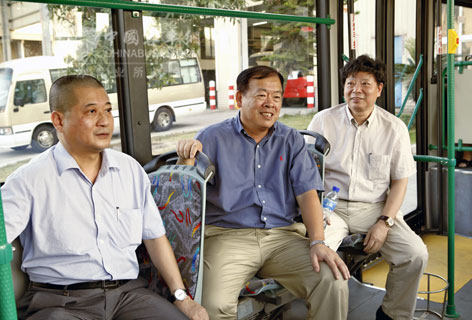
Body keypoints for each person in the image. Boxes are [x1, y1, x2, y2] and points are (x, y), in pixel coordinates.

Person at [1, 75, 208, 320]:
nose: (105, 121)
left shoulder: (130, 170)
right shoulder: (29, 180)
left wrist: (181, 296)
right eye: (91, 111)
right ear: (58, 120)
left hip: (128, 296)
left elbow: (155, 237)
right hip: (61, 302)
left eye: (108, 110)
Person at [176, 65, 350, 320]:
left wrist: (318, 242)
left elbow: (307, 194)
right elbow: (185, 194)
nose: (270, 103)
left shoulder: (291, 140)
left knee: (332, 280)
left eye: (277, 96)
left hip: (282, 237)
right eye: (261, 95)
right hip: (227, 237)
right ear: (239, 98)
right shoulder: (212, 138)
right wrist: (186, 157)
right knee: (211, 305)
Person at [307, 55, 428, 320]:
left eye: (365, 84)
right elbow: (306, 172)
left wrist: (385, 221)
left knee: (415, 254)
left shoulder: (394, 128)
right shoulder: (323, 121)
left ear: (379, 89)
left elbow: (399, 182)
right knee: (314, 258)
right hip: (330, 208)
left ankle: (392, 314)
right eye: (351, 83)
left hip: (375, 207)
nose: (356, 90)